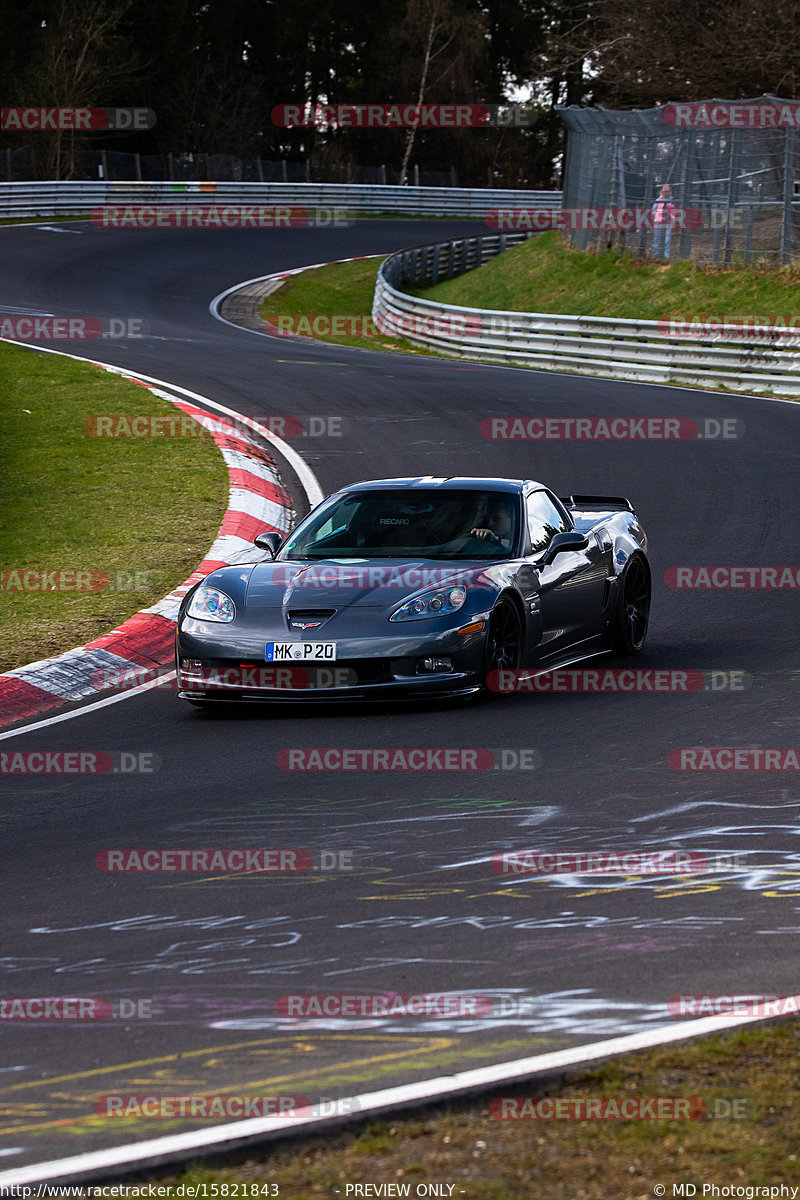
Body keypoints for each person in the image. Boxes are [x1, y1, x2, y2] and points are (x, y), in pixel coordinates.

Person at [651, 184, 676, 258]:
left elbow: (674, 212)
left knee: (667, 239)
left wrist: (673, 217)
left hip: (668, 222)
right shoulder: (658, 201)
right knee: (657, 238)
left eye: (668, 191)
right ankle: (656, 254)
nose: (667, 193)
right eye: (665, 191)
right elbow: (653, 211)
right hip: (659, 222)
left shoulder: (671, 201)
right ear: (662, 192)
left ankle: (666, 255)